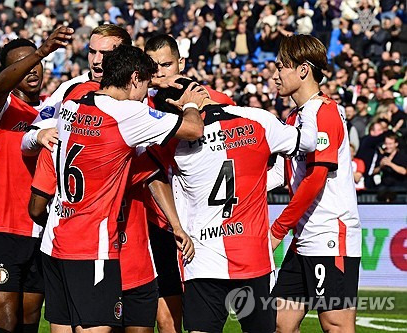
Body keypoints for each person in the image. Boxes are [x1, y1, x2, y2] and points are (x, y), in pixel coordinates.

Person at [27, 44, 206, 333]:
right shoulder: (127, 115)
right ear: (135, 78)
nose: (146, 94)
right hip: (90, 247)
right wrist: (191, 104)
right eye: (146, 84)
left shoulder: (75, 105)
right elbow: (193, 130)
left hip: (54, 240)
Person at [146, 76, 317, 333]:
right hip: (253, 256)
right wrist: (312, 103)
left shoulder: (173, 141)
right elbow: (308, 142)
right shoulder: (258, 119)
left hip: (202, 257)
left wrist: (176, 225)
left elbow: (151, 175)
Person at [0, 26, 74, 333]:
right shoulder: (0, 107)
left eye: (37, 64)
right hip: (2, 224)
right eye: (23, 64)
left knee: (30, 321)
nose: (32, 69)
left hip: (42, 224)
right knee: (5, 321)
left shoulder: (55, 108)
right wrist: (42, 50)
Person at [268, 35, 361, 333]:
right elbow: (285, 175)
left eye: (282, 67)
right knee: (280, 322)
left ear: (303, 70)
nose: (275, 74)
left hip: (330, 233)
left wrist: (278, 229)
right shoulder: (294, 117)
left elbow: (316, 178)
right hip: (304, 238)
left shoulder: (325, 111)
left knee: (335, 325)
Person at [144, 34, 235, 333]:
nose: (159, 72)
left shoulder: (217, 101)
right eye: (152, 66)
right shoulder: (140, 107)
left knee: (203, 320)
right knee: (167, 318)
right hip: (159, 224)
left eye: (166, 64)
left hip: (204, 226)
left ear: (181, 64)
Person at [21, 24, 133, 155]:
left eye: (105, 53)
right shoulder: (70, 88)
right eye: (92, 52)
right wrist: (39, 135)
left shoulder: (138, 89)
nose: (96, 60)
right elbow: (26, 142)